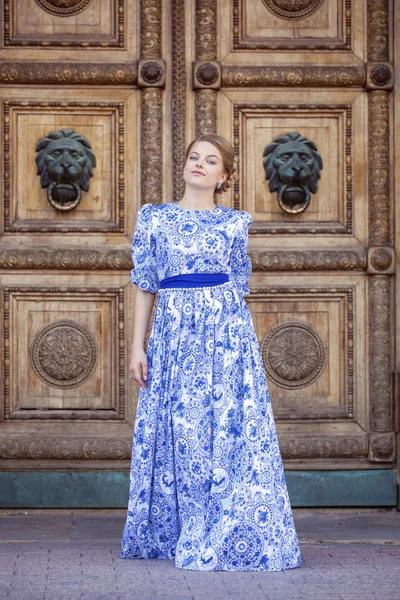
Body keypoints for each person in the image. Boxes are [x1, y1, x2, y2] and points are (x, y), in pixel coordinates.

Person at [120, 133, 302, 571]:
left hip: (225, 337)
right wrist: (136, 346)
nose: (199, 164)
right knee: (182, 427)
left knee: (224, 427)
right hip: (173, 334)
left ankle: (228, 526)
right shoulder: (154, 219)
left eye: (211, 160)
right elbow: (146, 283)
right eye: (193, 157)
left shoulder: (235, 223)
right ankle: (177, 525)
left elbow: (238, 287)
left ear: (224, 176)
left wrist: (237, 351)